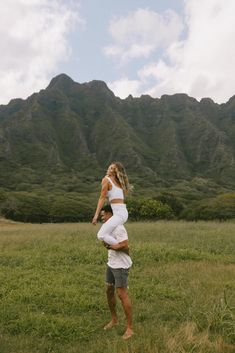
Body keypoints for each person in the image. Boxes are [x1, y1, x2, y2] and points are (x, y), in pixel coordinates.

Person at [100, 204, 133, 340]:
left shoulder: (119, 227)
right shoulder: (108, 229)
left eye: (103, 214)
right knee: (109, 290)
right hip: (111, 263)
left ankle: (130, 328)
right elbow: (108, 245)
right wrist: (108, 245)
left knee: (121, 294)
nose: (102, 217)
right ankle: (114, 320)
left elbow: (125, 244)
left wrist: (111, 246)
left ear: (110, 214)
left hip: (121, 265)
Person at [92, 162, 132, 246]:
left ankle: (122, 247)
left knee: (101, 235)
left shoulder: (106, 180)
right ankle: (119, 250)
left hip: (119, 214)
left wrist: (96, 215)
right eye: (109, 167)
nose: (108, 169)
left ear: (115, 172)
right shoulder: (119, 183)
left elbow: (102, 198)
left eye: (111, 168)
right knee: (110, 234)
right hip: (122, 213)